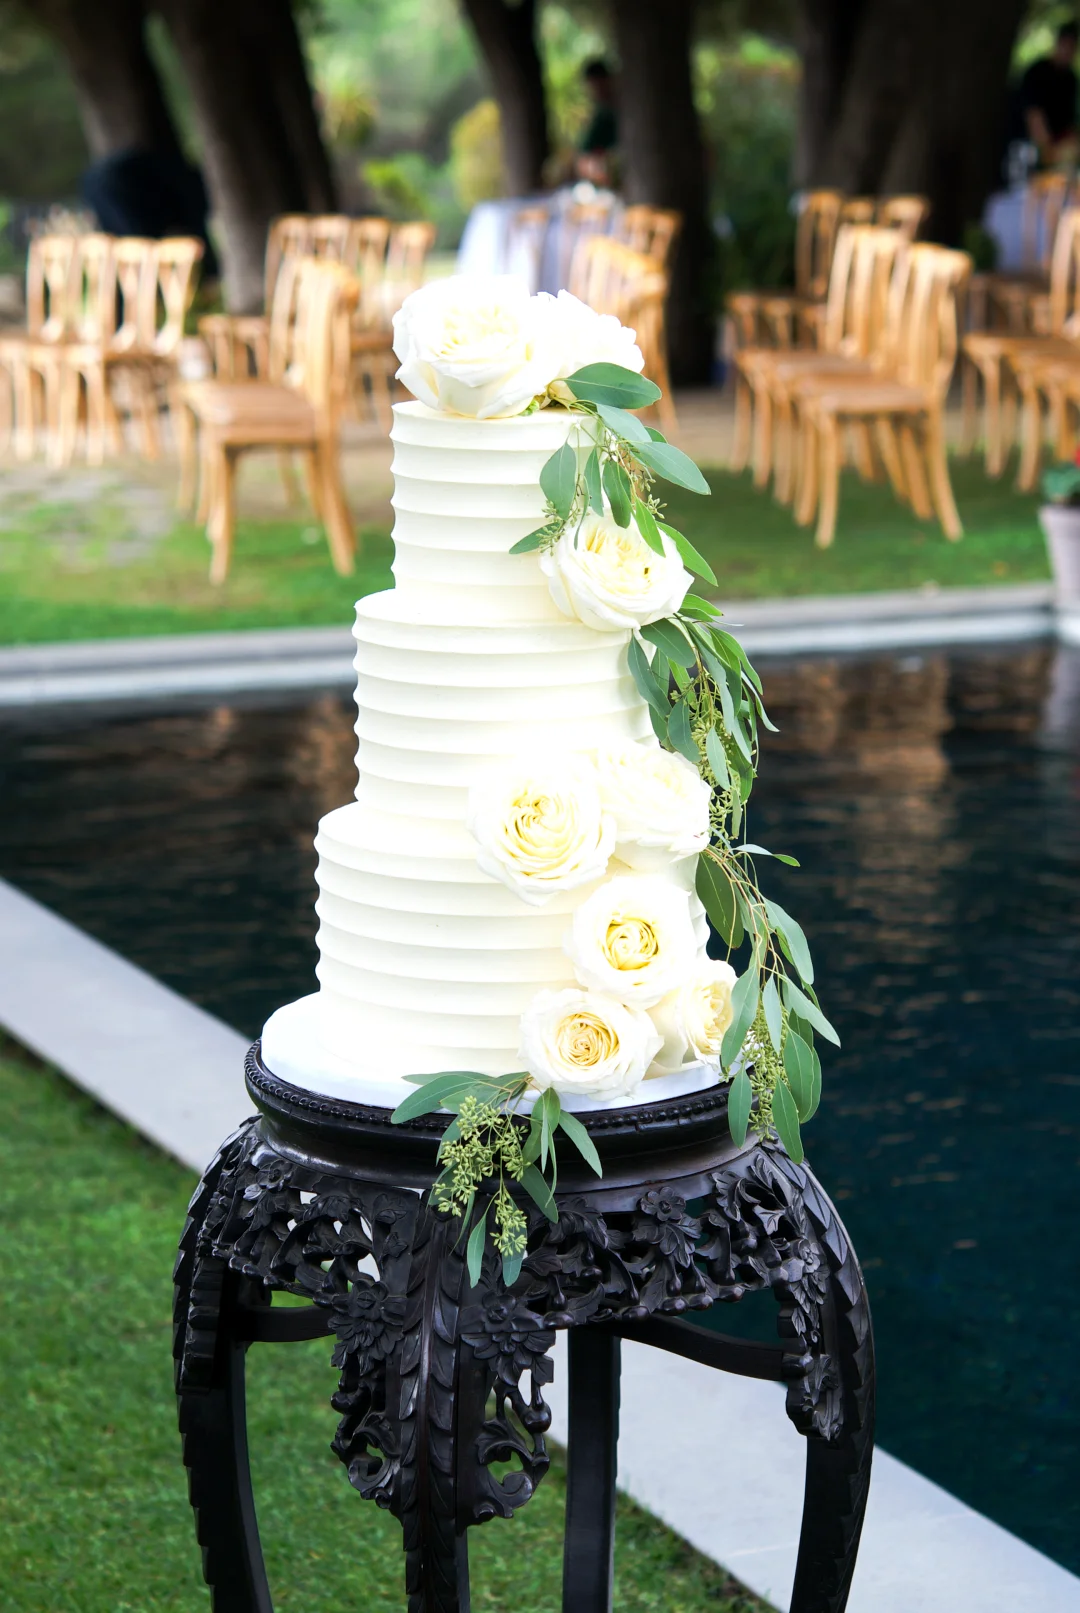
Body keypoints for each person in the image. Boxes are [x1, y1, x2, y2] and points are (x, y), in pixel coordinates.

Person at [1018, 21, 1079, 165]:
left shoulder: (1071, 79)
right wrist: (1048, 152)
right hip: (1028, 147)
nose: (1068, 51)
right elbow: (1034, 117)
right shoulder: (1037, 72)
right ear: (1058, 43)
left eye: (1073, 47)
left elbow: (1068, 124)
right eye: (1066, 45)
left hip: (1058, 151)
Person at [576, 59, 618, 187]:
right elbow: (585, 151)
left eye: (598, 84)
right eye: (592, 86)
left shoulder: (617, 111)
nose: (595, 91)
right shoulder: (600, 113)